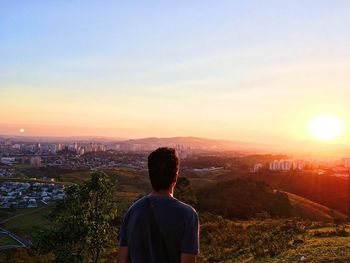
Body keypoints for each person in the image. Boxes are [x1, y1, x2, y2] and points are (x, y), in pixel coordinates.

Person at [119, 147, 199, 263]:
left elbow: (122, 259)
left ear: (150, 175)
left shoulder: (133, 211)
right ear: (176, 176)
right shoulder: (188, 215)